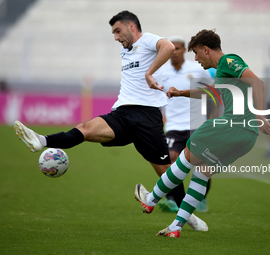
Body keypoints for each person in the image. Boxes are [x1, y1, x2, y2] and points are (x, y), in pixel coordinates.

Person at [13, 10, 207, 231]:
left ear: (131, 26)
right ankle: (42, 141)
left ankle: (188, 217)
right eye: (113, 33)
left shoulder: (148, 40)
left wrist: (149, 73)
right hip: (122, 114)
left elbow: (169, 47)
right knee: (84, 128)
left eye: (117, 31)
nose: (115, 37)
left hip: (147, 117)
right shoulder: (126, 52)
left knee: (166, 171)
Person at [134, 29, 270, 238]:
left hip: (231, 125)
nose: (196, 59)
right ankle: (175, 227)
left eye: (197, 53)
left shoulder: (229, 61)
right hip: (247, 137)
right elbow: (209, 93)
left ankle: (150, 200)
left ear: (206, 49)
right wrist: (180, 92)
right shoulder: (223, 73)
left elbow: (257, 82)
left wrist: (260, 115)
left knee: (184, 161)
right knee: (201, 172)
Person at [159, 36, 213, 213]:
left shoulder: (197, 70)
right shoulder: (162, 73)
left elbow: (212, 92)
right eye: (171, 49)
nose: (174, 52)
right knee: (171, 161)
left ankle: (202, 198)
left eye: (178, 48)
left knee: (201, 163)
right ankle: (172, 199)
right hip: (173, 125)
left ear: (184, 51)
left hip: (196, 124)